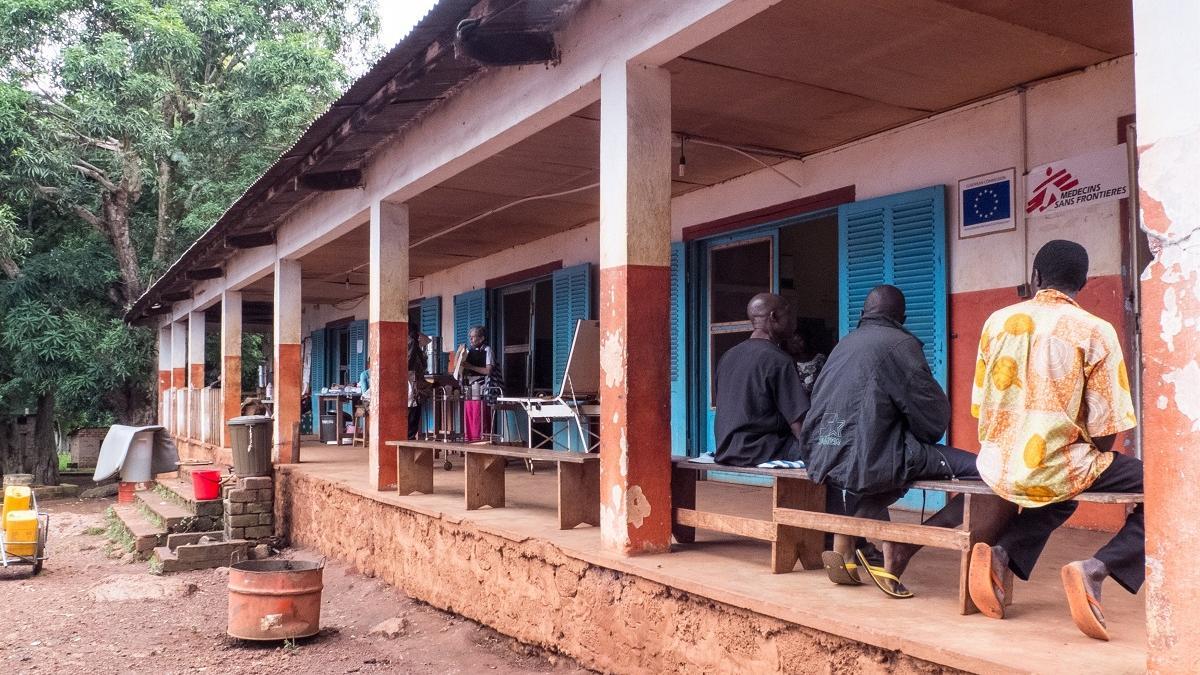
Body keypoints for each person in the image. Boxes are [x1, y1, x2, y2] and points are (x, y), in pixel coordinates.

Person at [968, 240, 1140, 641]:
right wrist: (1084, 452)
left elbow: (980, 405)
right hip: (1054, 465)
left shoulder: (997, 321)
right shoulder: (1096, 331)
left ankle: (1001, 552)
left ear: (1036, 277)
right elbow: (1105, 429)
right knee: (1165, 491)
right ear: (1082, 282)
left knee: (1065, 493)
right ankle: (1097, 568)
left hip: (997, 465)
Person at [800, 284, 981, 598]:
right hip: (871, 457)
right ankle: (904, 543)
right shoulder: (901, 345)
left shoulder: (843, 345)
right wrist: (920, 432)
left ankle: (850, 530)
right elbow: (933, 416)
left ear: (862, 314)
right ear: (902, 317)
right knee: (985, 473)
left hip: (825, 456)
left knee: (877, 465)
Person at [713, 293, 810, 468]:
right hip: (759, 450)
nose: (793, 320)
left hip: (726, 449)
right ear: (774, 317)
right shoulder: (779, 360)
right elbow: (799, 424)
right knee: (828, 451)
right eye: (788, 313)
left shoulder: (728, 356)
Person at [785, 325, 827, 395]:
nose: (797, 345)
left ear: (806, 340)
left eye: (800, 340)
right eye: (794, 342)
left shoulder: (819, 359)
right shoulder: (789, 361)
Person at [408, 329, 432, 439]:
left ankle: (410, 437)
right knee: (413, 414)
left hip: (414, 383)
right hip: (412, 383)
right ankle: (410, 438)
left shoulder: (413, 344)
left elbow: (428, 340)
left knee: (413, 413)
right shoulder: (412, 343)